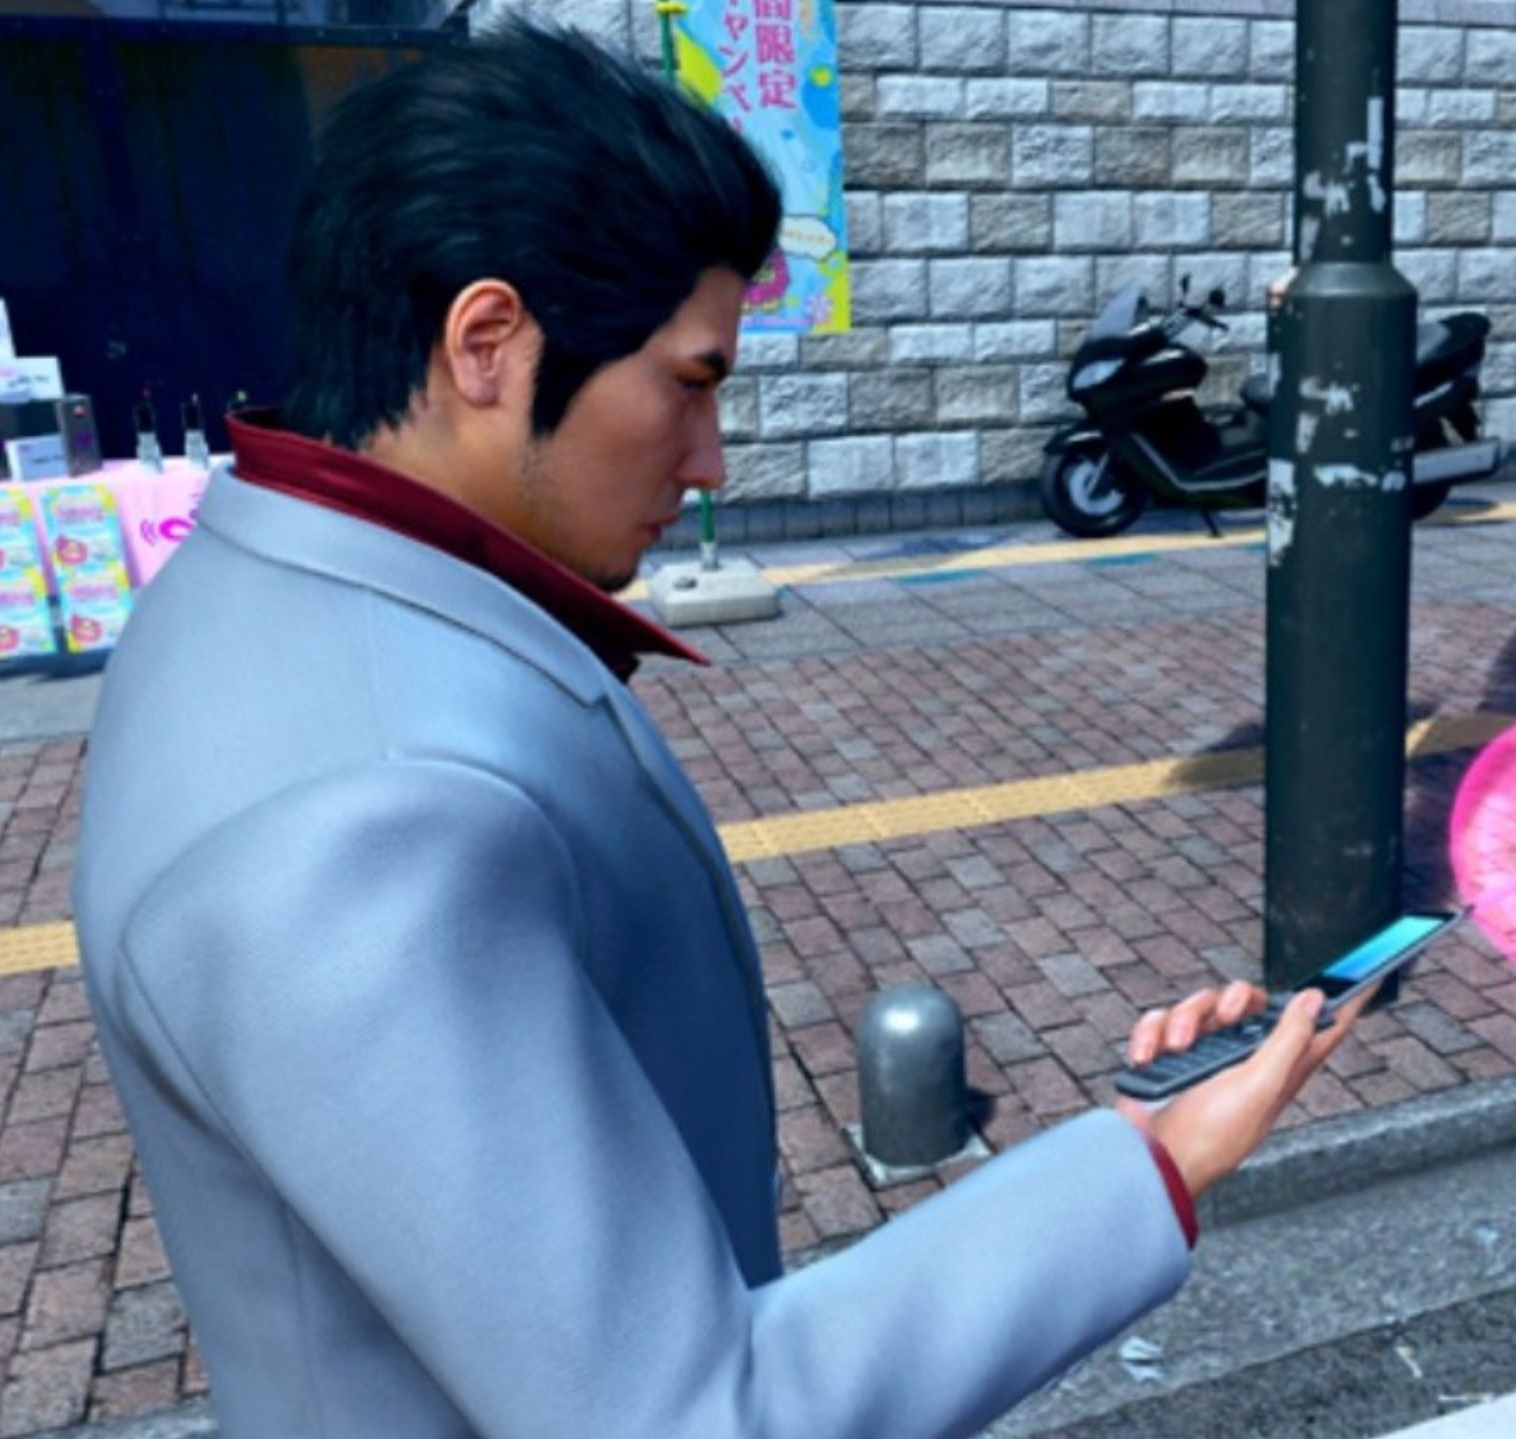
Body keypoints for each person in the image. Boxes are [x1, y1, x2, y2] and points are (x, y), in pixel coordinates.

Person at [70, 22, 1366, 1437]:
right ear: (489, 344)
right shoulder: (367, 823)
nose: (711, 461)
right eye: (689, 384)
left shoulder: (262, 583)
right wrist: (1150, 1157)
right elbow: (688, 1411)